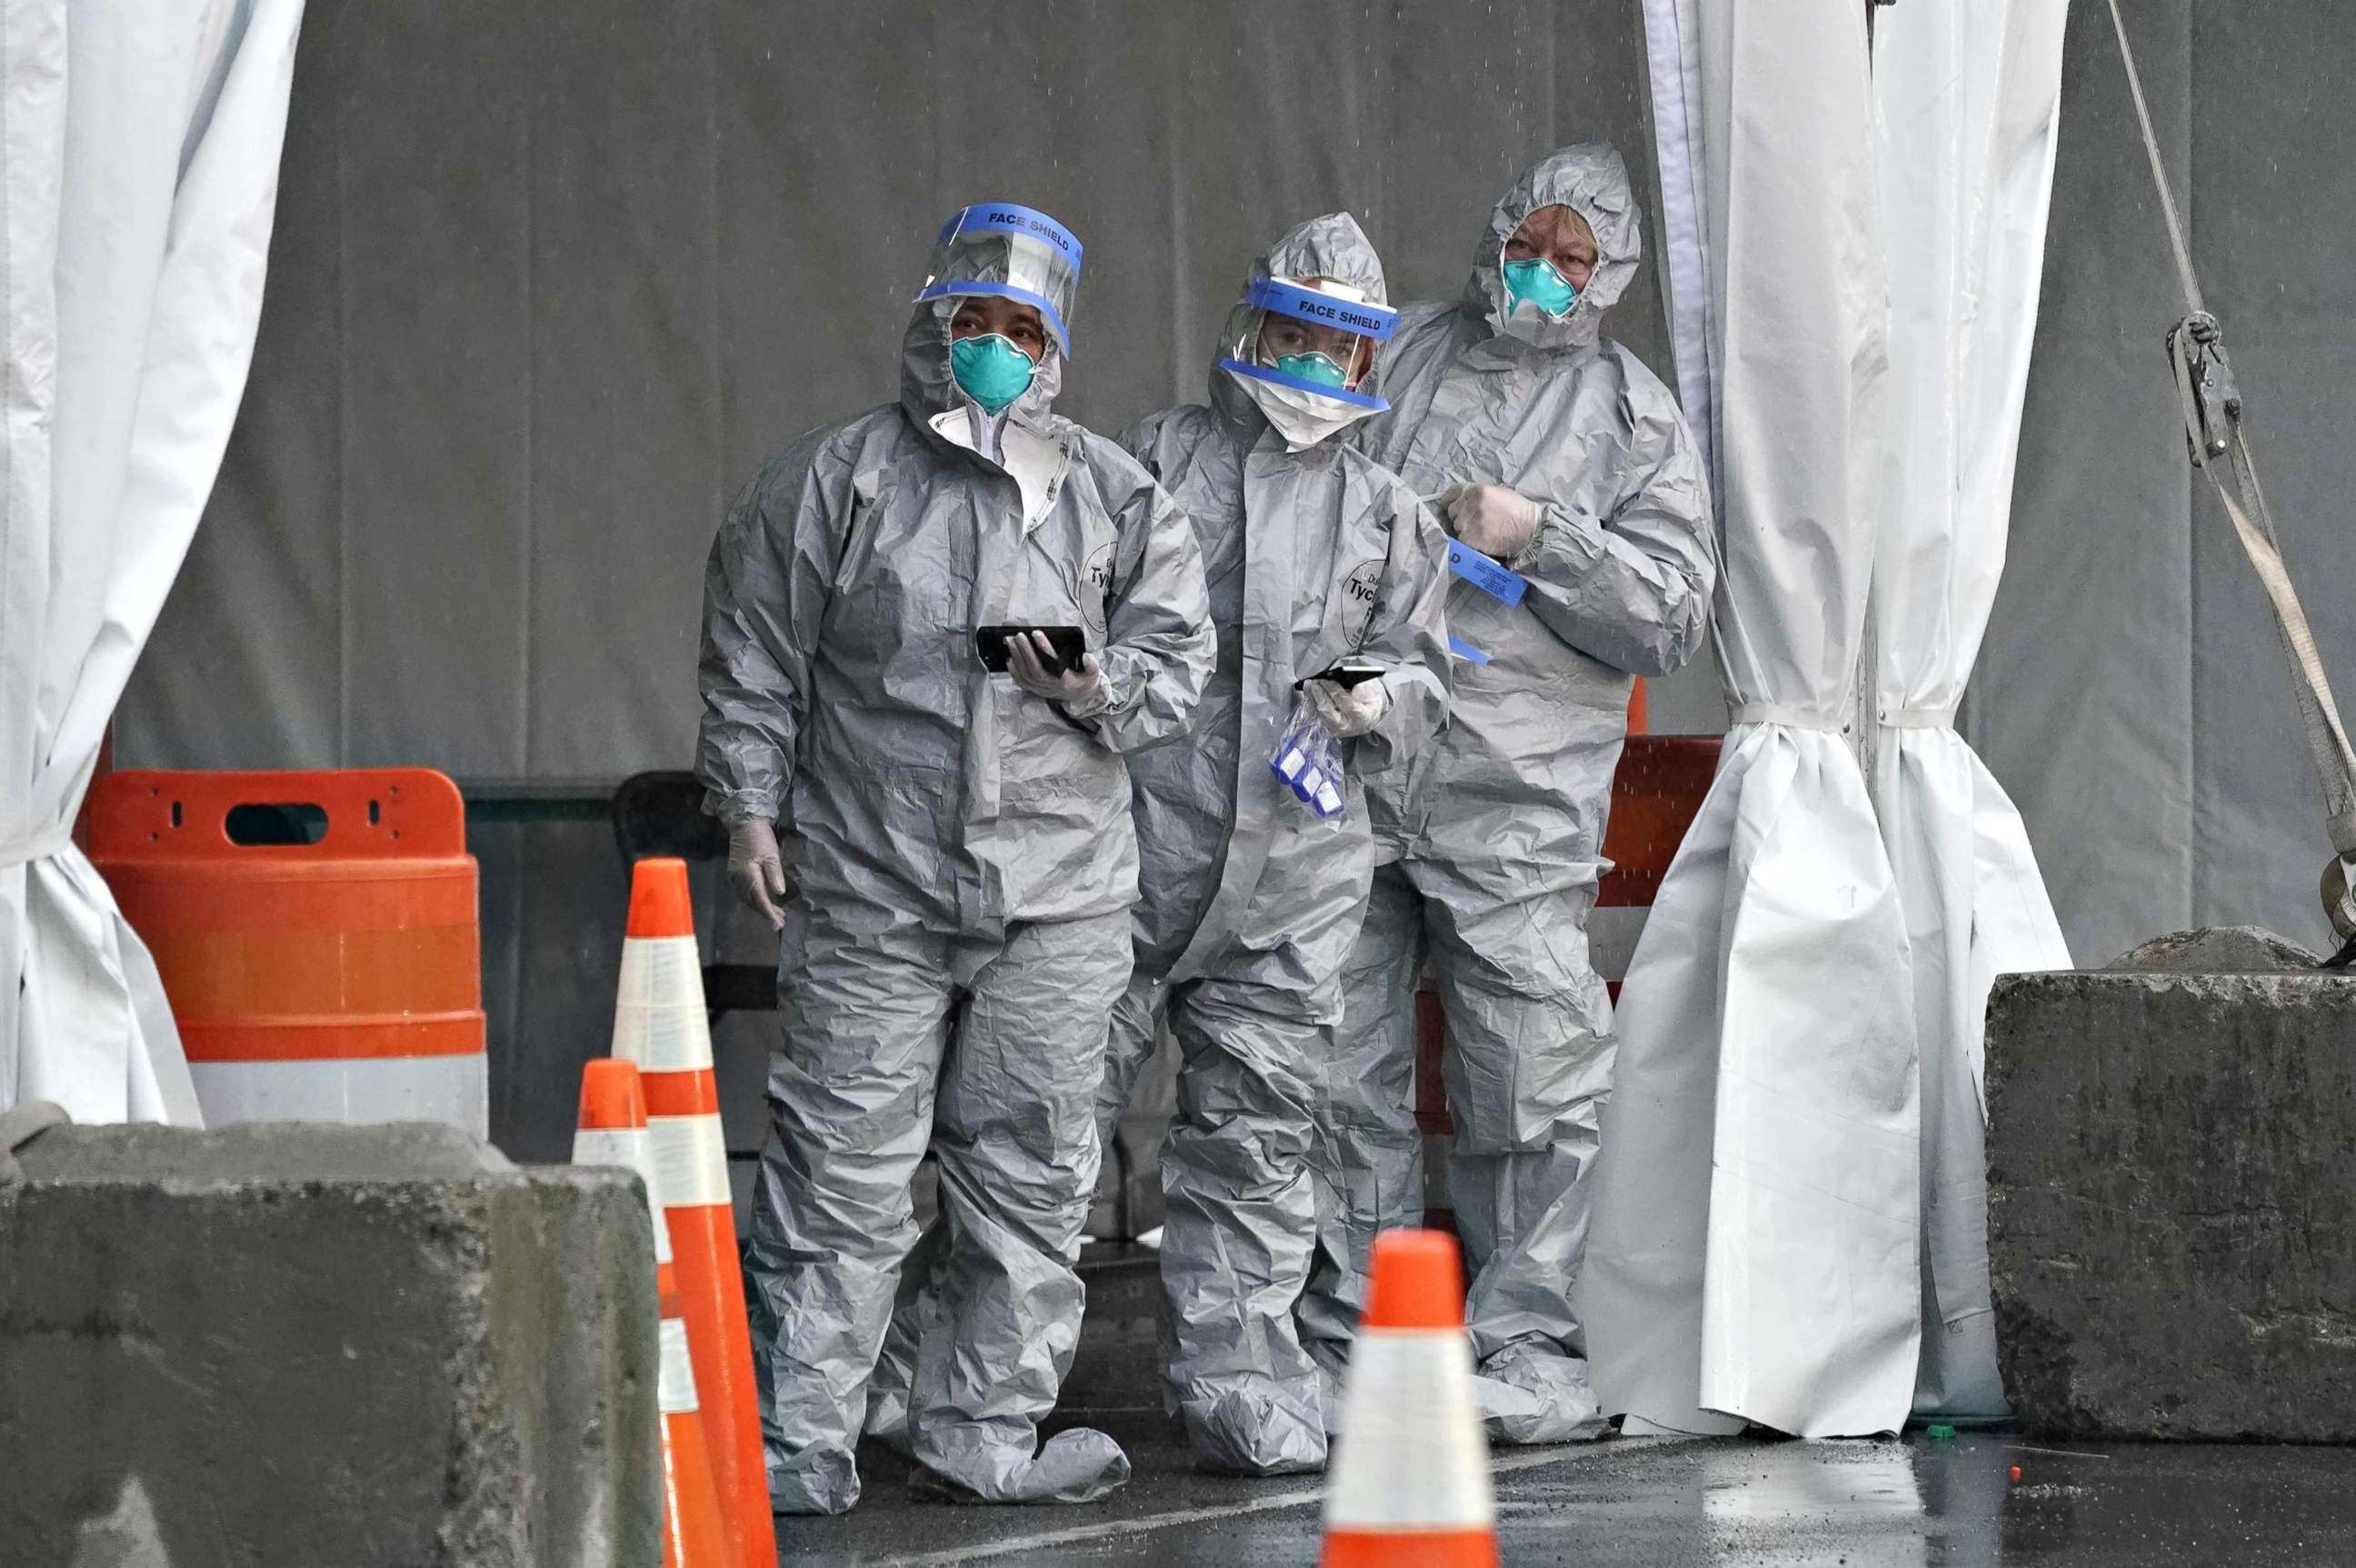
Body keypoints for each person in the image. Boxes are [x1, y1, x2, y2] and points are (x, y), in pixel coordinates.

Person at [698, 200, 1213, 1514]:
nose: (990, 347)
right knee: (839, 1170)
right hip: (877, 884)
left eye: (1019, 327)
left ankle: (982, 1430)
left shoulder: (1110, 494)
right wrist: (751, 804)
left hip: (1058, 894)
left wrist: (1095, 682)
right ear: (928, 324)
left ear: (1057, 344)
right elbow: (756, 653)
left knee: (1031, 1168)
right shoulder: (834, 482)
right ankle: (794, 1444)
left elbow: (1178, 668)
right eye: (967, 321)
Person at [1304, 145, 1716, 1445]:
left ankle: (1524, 1343)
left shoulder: (1632, 413)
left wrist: (1541, 534)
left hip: (1515, 786)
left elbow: (1674, 613)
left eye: (1573, 258)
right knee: (1334, 1059)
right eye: (1528, 244)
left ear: (1613, 276)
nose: (1541, 273)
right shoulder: (1406, 350)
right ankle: (1353, 1337)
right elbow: (1305, 492)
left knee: (1527, 1070)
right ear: (1494, 235)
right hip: (1361, 757)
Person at [1116, 212, 1451, 1474]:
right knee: (1028, 1133)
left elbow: (1428, 681)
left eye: (1342, 344)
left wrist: (1380, 693)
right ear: (1253, 323)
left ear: (1370, 365)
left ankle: (1241, 1388)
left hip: (1293, 879)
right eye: (1297, 331)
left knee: (1256, 1144)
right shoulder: (1158, 459)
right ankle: (965, 1385)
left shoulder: (1385, 513)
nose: (1314, 364)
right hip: (1134, 858)